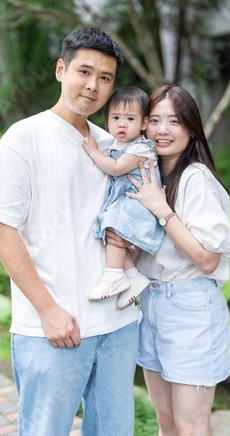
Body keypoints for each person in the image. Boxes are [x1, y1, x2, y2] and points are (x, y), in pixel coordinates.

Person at [0, 27, 139, 436]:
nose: (93, 85)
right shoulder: (23, 138)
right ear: (61, 69)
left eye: (105, 78)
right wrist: (48, 311)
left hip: (116, 326)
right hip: (52, 330)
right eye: (84, 72)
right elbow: (0, 229)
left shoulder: (111, 146)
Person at [108, 85, 230, 436]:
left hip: (190, 308)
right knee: (166, 424)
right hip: (150, 303)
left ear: (192, 128)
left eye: (174, 121)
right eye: (154, 120)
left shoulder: (196, 178)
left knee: (191, 426)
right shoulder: (148, 173)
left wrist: (162, 210)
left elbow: (207, 260)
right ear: (143, 125)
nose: (162, 130)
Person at [82, 86, 165, 309]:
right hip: (127, 201)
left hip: (138, 203)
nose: (122, 123)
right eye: (116, 117)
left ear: (144, 124)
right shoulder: (119, 145)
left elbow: (117, 168)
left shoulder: (141, 148)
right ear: (107, 122)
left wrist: (93, 152)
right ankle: (132, 275)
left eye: (130, 118)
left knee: (113, 229)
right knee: (113, 233)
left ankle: (113, 275)